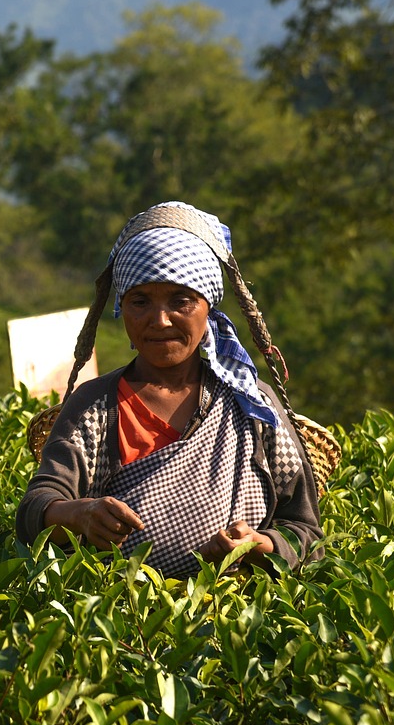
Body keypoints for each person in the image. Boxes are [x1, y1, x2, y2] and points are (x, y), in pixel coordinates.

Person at [17, 201, 323, 578]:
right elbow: (36, 507)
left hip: (237, 618)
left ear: (207, 308)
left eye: (181, 301)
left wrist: (260, 547)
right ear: (122, 309)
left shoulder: (251, 402)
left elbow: (305, 531)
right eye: (140, 302)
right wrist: (78, 514)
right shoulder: (95, 405)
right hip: (122, 623)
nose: (159, 320)